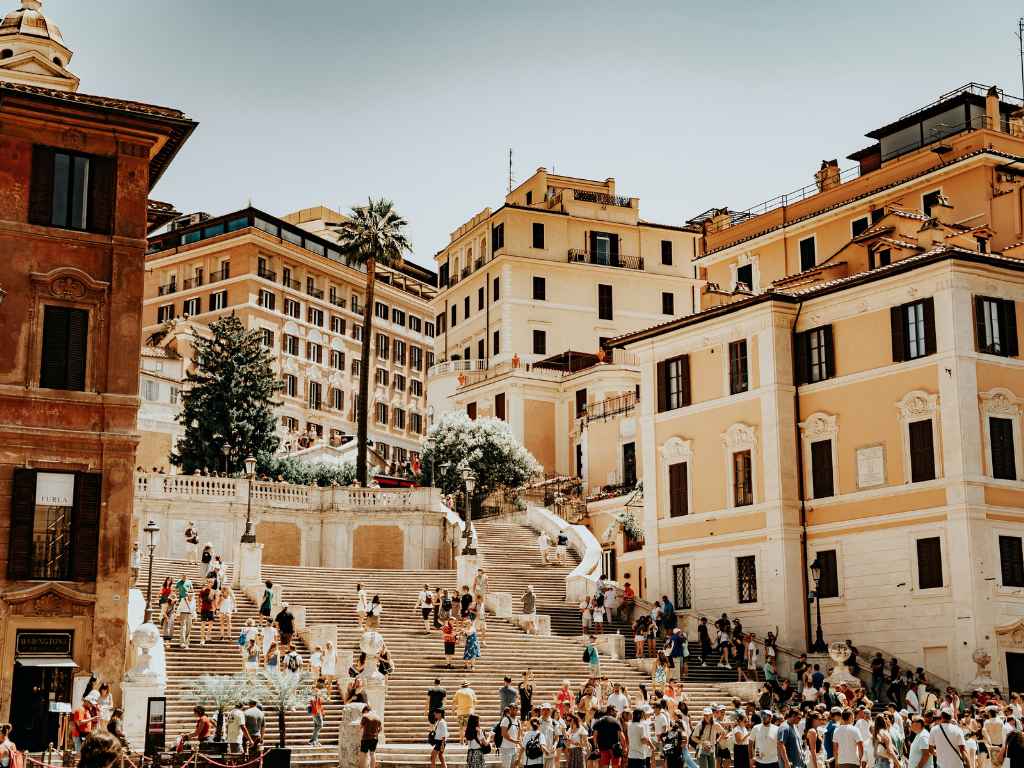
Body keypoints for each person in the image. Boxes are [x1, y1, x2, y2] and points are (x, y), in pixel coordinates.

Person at [359, 704, 382, 768]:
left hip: (366, 738)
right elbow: (380, 729)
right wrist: (376, 734)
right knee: (372, 753)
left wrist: (359, 735)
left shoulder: (365, 717)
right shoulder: (377, 717)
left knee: (363, 754)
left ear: (366, 711)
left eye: (363, 712)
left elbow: (360, 727)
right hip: (374, 738)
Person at [197, 578, 216, 645]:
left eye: (211, 582)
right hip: (204, 608)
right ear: (207, 582)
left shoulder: (213, 591)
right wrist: (198, 607)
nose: (210, 584)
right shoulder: (203, 590)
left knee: (211, 623)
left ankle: (207, 635)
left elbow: (213, 600)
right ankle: (202, 639)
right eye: (209, 582)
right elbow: (199, 599)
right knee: (203, 623)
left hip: (211, 609)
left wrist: (215, 608)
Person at [308, 680, 326, 747]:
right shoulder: (315, 692)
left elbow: (320, 703)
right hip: (316, 711)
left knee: (316, 726)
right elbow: (314, 702)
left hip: (316, 711)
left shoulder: (316, 692)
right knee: (320, 725)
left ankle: (315, 740)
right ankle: (313, 740)